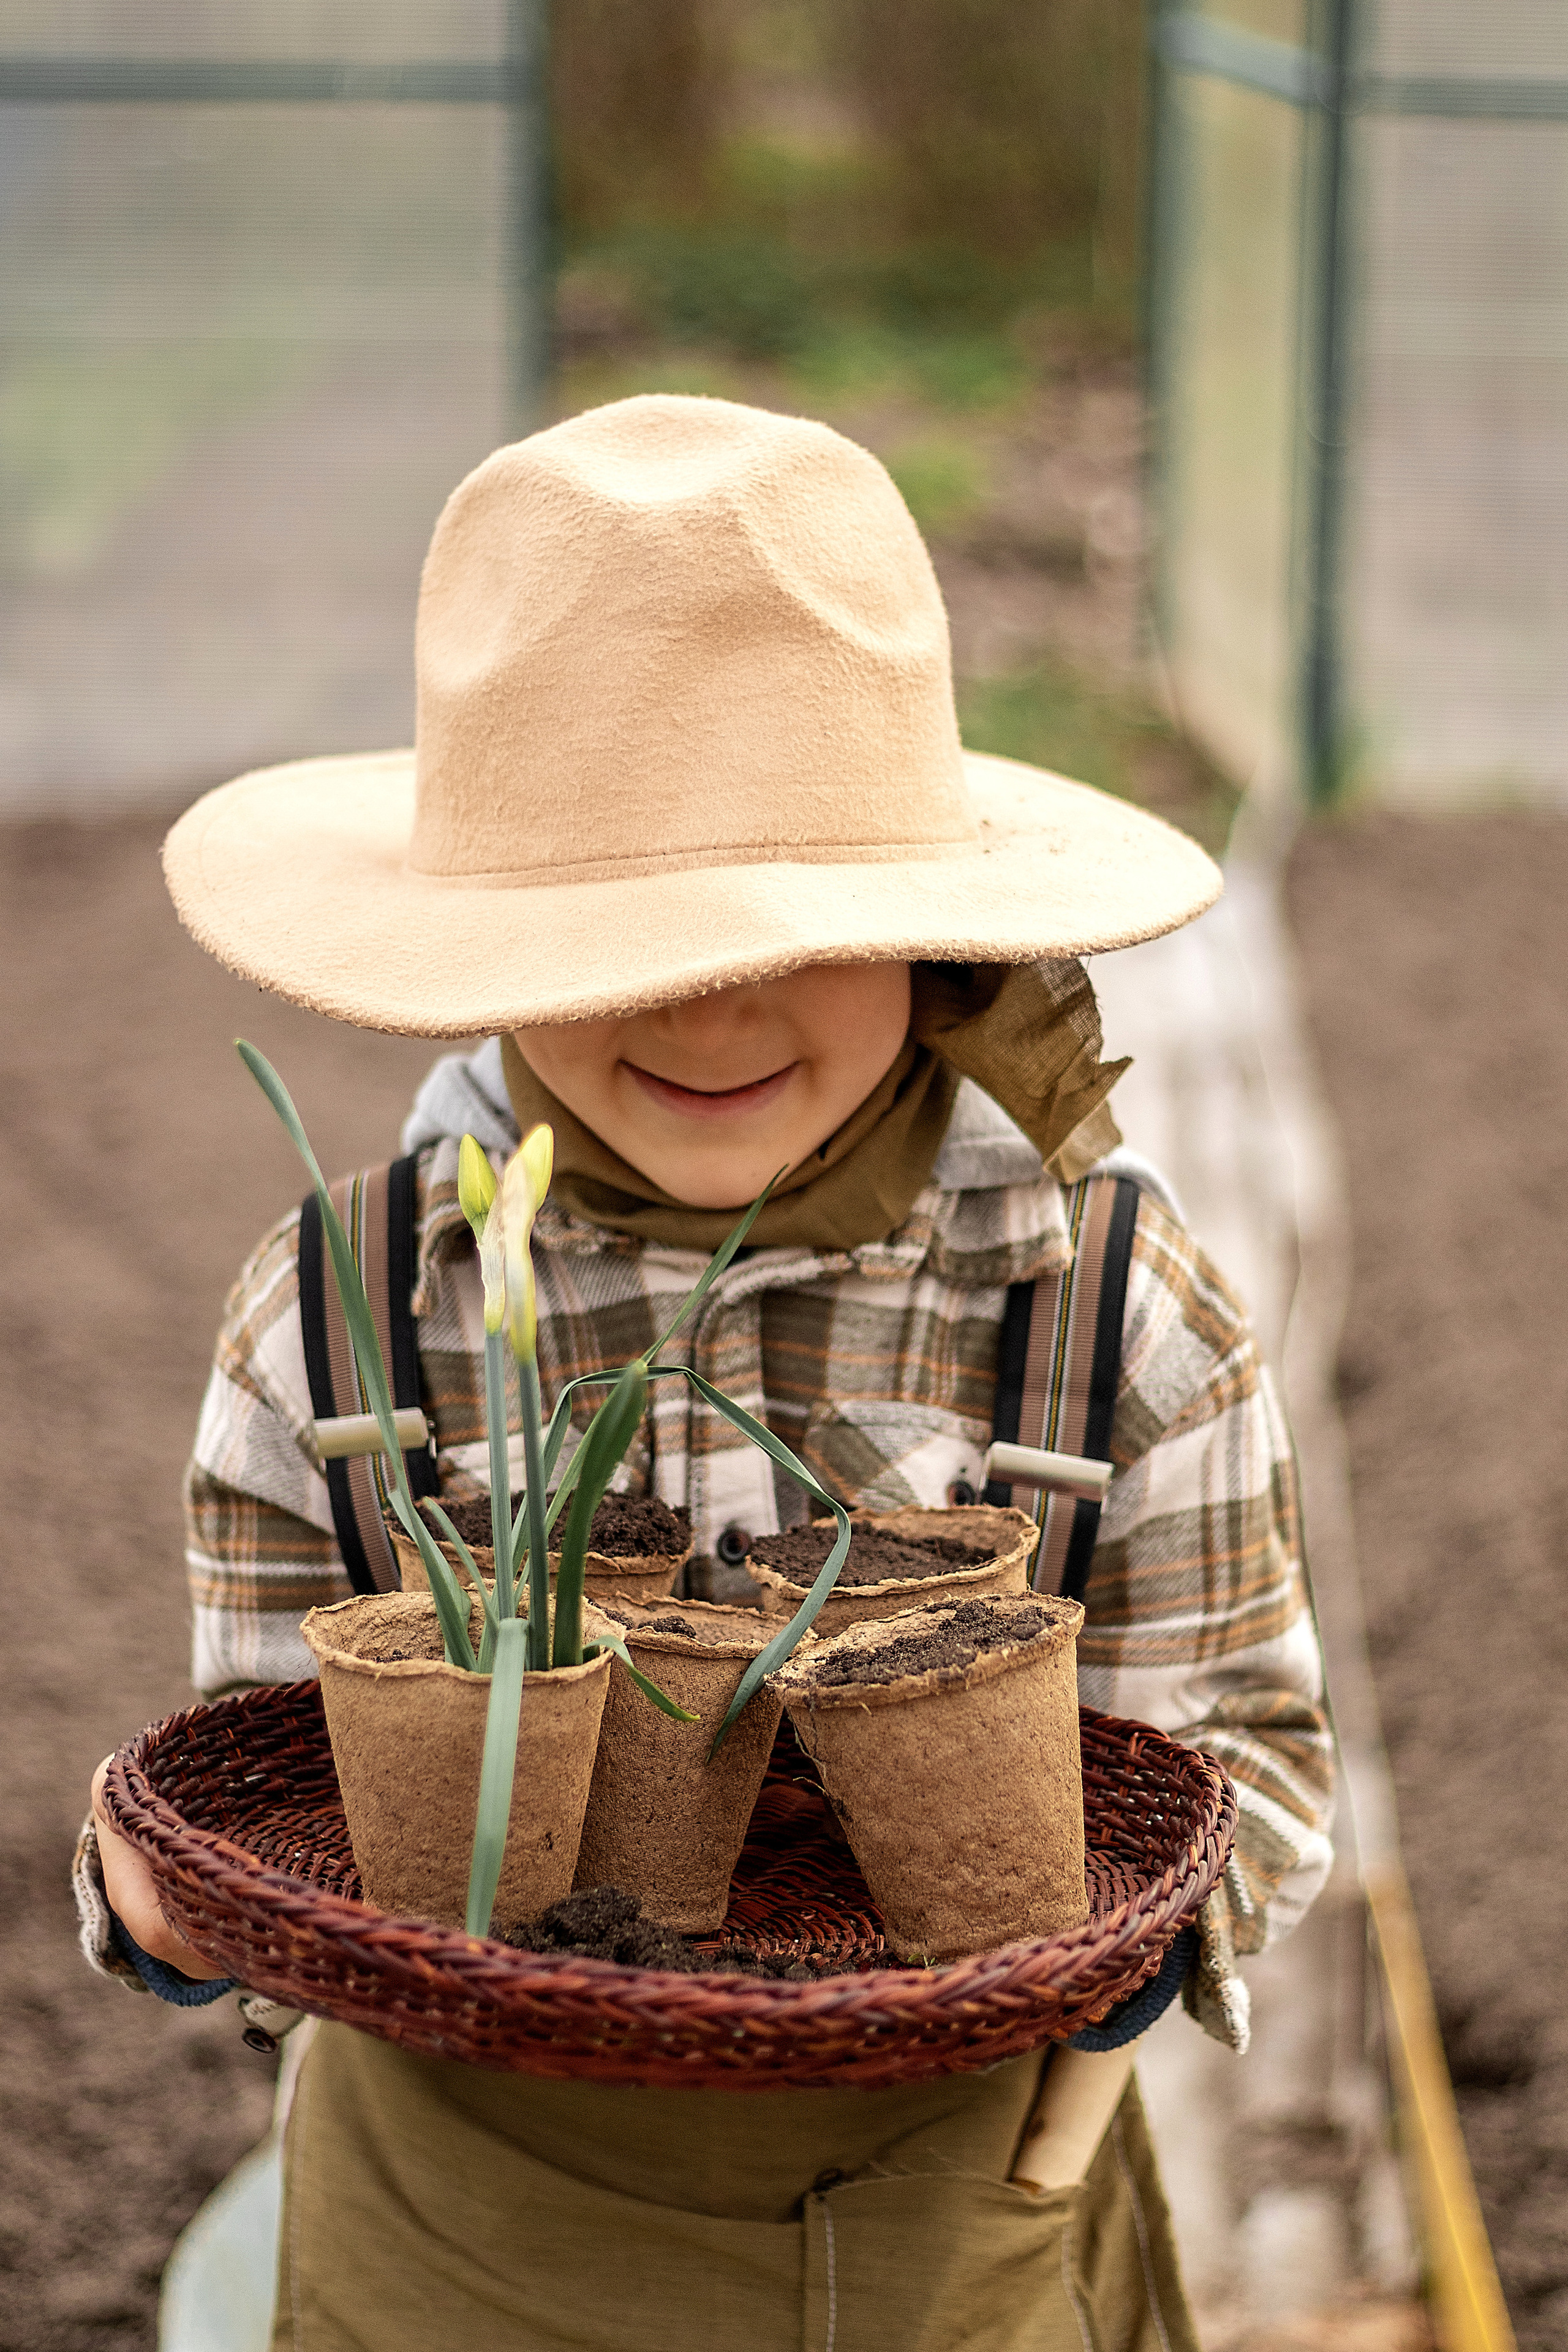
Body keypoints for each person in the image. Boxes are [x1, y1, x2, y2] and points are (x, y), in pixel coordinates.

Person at [77, 394, 1333, 2351]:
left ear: (932, 931)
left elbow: (1245, 1774)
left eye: (797, 925)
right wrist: (171, 1912)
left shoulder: (1109, 1305)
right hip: (450, 2241)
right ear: (478, 939)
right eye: (613, 934)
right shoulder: (336, 1317)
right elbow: (277, 1780)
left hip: (953, 2234)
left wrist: (1095, 1953)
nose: (710, 1005)